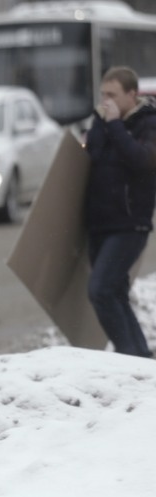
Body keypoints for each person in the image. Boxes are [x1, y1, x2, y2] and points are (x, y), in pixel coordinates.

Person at [83, 66, 156, 358]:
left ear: (131, 94)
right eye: (103, 95)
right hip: (99, 223)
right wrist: (101, 125)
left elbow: (142, 160)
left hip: (130, 224)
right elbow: (92, 157)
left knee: (100, 290)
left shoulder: (148, 123)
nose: (106, 101)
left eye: (112, 95)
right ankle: (140, 357)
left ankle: (129, 355)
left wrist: (114, 125)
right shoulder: (101, 122)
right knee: (115, 293)